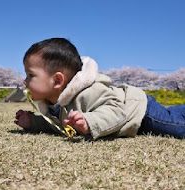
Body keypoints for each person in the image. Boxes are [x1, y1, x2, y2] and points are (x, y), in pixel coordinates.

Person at [15, 38, 185, 140]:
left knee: (173, 126)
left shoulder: (88, 92)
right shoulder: (52, 104)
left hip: (138, 109)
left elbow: (117, 111)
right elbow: (55, 125)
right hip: (129, 122)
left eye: (31, 75)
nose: (25, 81)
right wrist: (33, 122)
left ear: (57, 80)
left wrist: (90, 122)